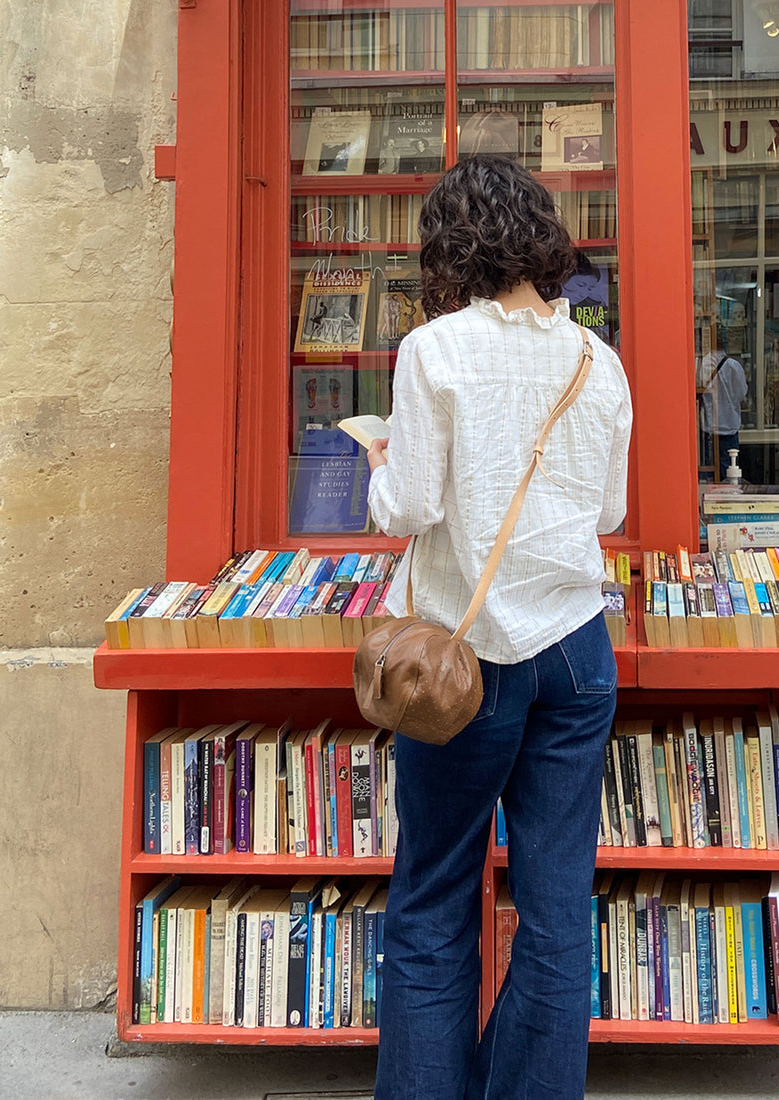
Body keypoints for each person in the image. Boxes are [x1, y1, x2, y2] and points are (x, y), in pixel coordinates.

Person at [365, 154, 632, 1100]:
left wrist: (381, 461)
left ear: (451, 247)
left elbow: (403, 508)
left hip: (466, 664)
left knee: (435, 901)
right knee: (559, 913)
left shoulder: (433, 351)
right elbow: (609, 508)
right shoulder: (600, 363)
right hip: (576, 651)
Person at [696, 342, 747, 480]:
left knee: (709, 473)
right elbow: (742, 393)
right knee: (731, 471)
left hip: (708, 427)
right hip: (729, 425)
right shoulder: (733, 366)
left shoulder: (702, 363)